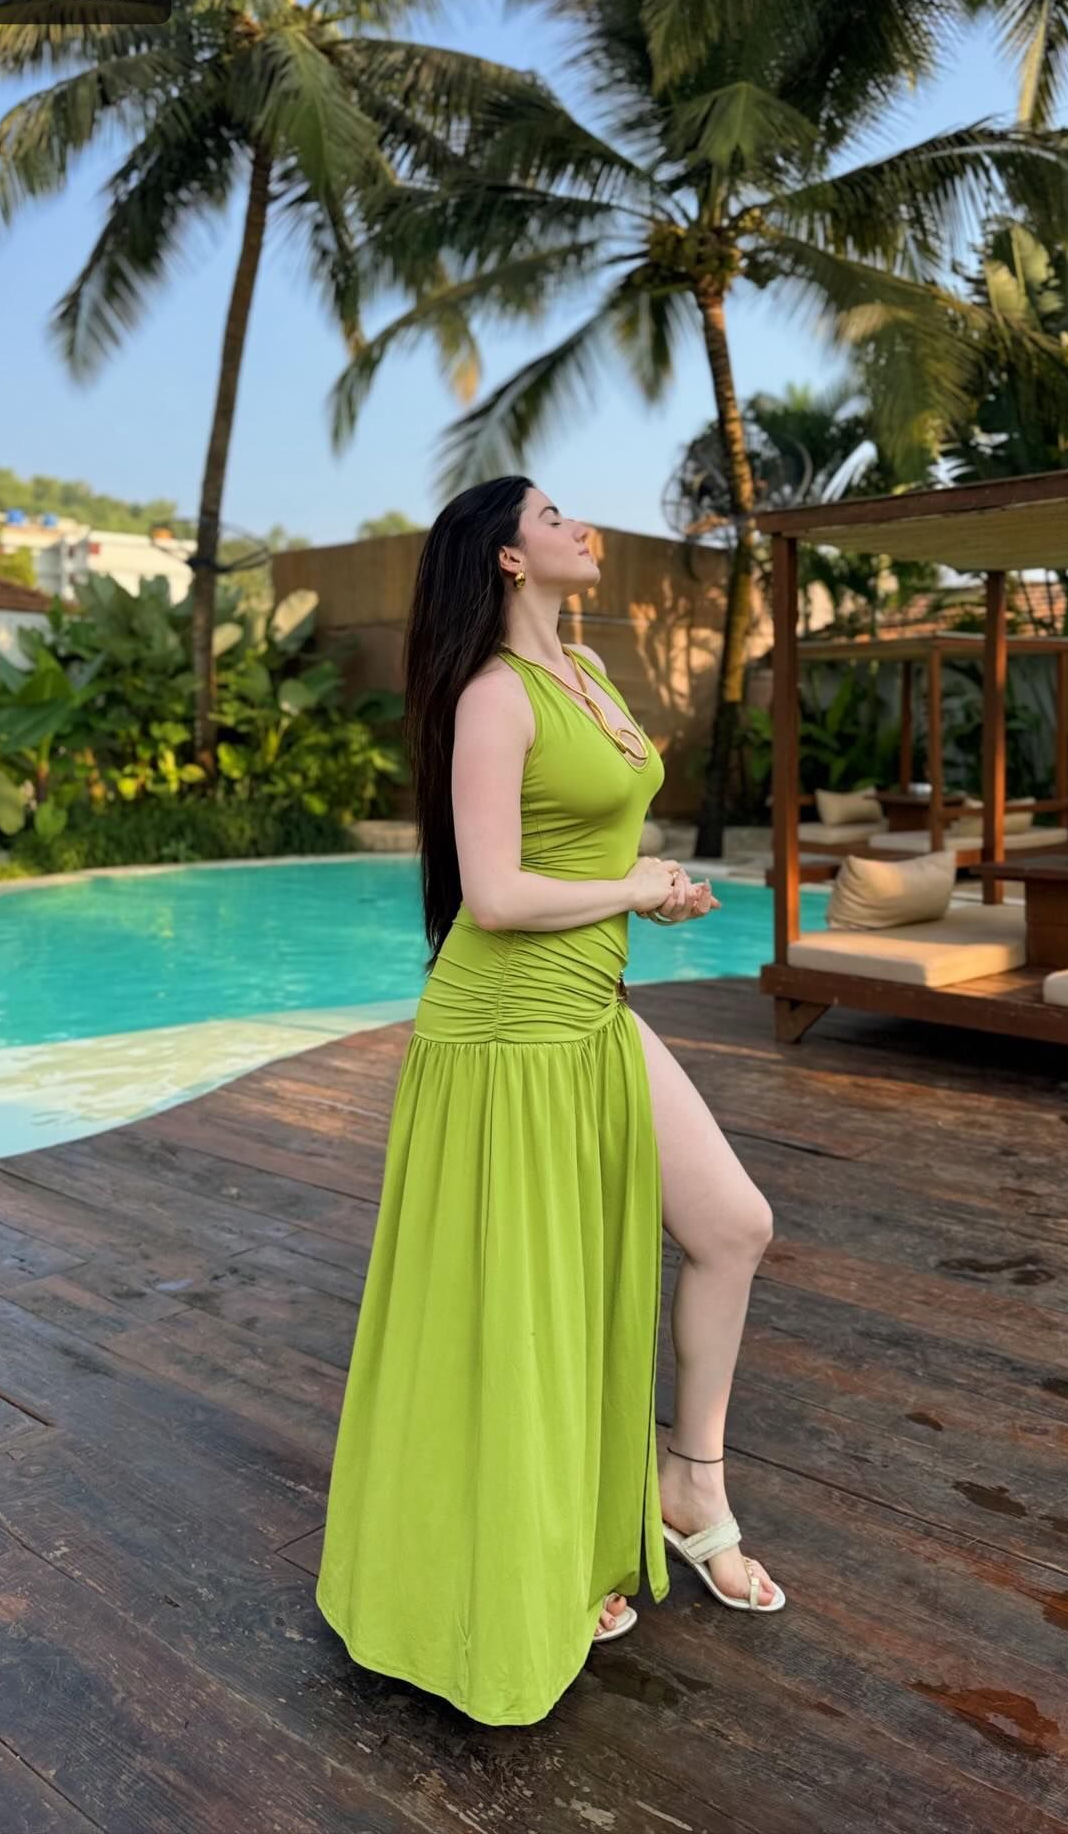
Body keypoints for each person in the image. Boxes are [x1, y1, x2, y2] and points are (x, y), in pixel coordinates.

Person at [314, 477, 782, 1727]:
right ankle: (542, 1559)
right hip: (504, 1033)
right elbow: (497, 896)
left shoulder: (591, 673)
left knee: (733, 1226)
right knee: (529, 1305)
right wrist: (637, 889)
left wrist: (649, 892)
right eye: (555, 517)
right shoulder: (493, 696)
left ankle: (688, 1483)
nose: (583, 529)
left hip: (590, 1012)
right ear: (510, 559)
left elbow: (585, 850)